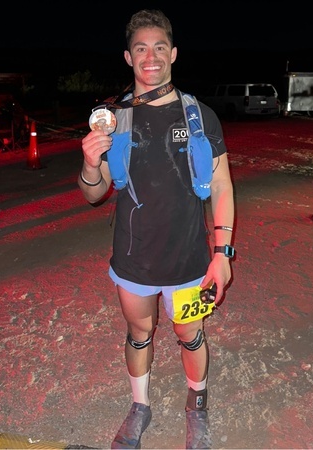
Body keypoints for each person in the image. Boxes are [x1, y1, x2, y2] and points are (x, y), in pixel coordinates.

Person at [79, 9, 235, 449]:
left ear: (174, 53)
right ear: (129, 57)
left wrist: (222, 255)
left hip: (190, 261)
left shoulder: (199, 115)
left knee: (190, 334)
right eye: (142, 49)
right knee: (138, 333)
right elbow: (94, 193)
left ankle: (197, 405)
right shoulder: (113, 118)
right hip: (133, 259)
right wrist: (90, 162)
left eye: (160, 47)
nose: (152, 57)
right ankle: (140, 406)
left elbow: (221, 185)